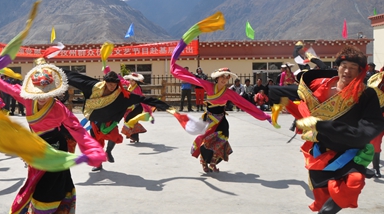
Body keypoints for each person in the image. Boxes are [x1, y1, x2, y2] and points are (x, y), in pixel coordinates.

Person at [0, 58, 106, 214]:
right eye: (39, 92)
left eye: (48, 92)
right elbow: (5, 86)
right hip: (36, 149)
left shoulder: (60, 109)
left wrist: (92, 149)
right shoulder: (27, 99)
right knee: (36, 185)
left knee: (50, 189)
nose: (43, 96)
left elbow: (77, 129)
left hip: (55, 150)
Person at [291, 46, 384, 214]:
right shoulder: (320, 88)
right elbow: (302, 104)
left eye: (353, 67)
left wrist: (353, 134)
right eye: (344, 66)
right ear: (337, 67)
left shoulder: (366, 94)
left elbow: (371, 125)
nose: (347, 71)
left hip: (351, 150)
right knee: (324, 193)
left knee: (354, 182)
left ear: (361, 71)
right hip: (321, 150)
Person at [171, 40, 271, 172]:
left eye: (226, 78)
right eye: (222, 77)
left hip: (221, 120)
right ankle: (204, 162)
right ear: (217, 78)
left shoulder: (228, 92)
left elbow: (244, 103)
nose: (224, 79)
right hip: (209, 119)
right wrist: (175, 68)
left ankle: (213, 162)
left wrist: (263, 115)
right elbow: (191, 78)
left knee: (222, 139)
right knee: (206, 140)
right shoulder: (208, 86)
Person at [62, 69, 174, 171]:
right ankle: (99, 164)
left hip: (110, 120)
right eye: (109, 84)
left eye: (114, 84)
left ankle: (109, 151)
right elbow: (75, 78)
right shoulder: (93, 86)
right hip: (95, 120)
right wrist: (55, 71)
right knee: (96, 143)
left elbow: (143, 99)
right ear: (105, 82)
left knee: (114, 137)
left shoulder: (122, 95)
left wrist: (166, 107)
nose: (111, 87)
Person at [120, 73, 154, 143]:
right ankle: (132, 136)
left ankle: (134, 136)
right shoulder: (130, 85)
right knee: (128, 119)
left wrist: (146, 109)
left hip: (137, 106)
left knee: (131, 120)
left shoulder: (137, 88)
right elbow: (123, 81)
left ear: (136, 81)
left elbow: (140, 99)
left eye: (132, 81)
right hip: (130, 106)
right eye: (130, 80)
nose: (131, 82)